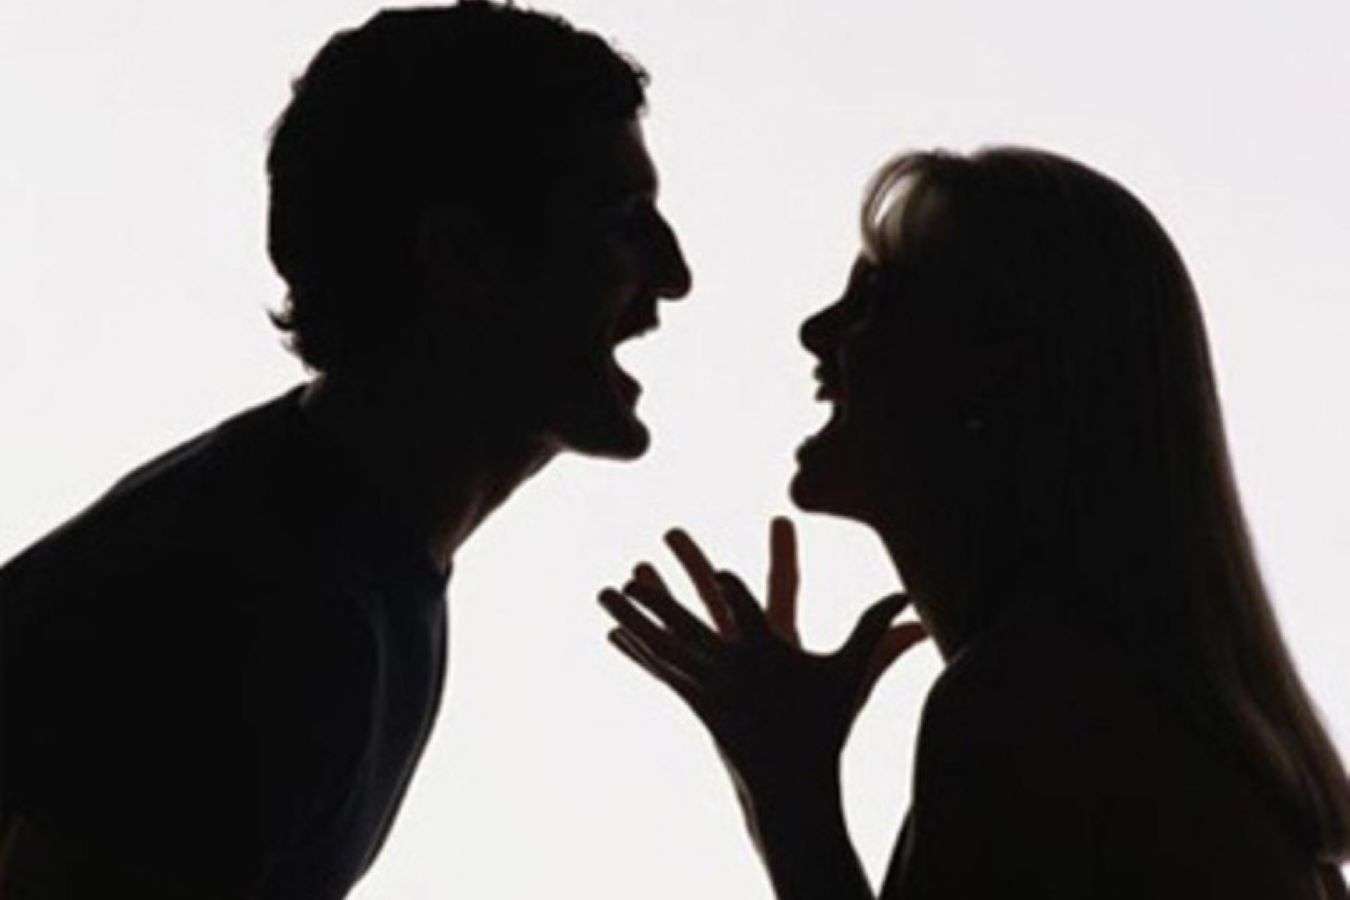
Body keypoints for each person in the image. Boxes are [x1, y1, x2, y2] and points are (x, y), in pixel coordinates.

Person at [0, 3, 689, 897]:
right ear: (462, 258)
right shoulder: (275, 607)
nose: (675, 274)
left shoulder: (320, 551)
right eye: (624, 218)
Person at [599, 147, 1349, 898]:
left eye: (873, 305)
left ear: (998, 371)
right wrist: (787, 784)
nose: (814, 332)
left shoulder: (1029, 709)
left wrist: (788, 793)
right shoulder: (1116, 709)